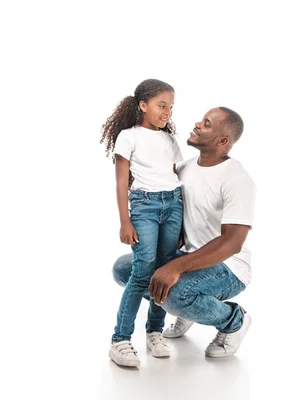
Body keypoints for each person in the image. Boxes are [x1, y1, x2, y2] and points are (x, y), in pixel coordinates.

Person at [112, 106, 256, 359]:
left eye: (207, 124)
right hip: (188, 256)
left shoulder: (237, 179)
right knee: (126, 269)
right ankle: (186, 309)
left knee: (175, 294)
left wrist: (176, 268)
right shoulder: (185, 168)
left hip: (228, 267)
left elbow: (232, 243)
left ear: (223, 141)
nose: (198, 124)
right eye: (202, 120)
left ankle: (234, 320)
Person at [100, 79, 184, 367]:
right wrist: (125, 221)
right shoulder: (128, 136)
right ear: (143, 105)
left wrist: (182, 222)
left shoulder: (169, 139)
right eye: (162, 106)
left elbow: (176, 176)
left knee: (163, 271)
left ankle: (154, 332)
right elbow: (121, 181)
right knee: (141, 272)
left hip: (173, 204)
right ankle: (120, 340)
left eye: (171, 107)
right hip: (144, 207)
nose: (167, 112)